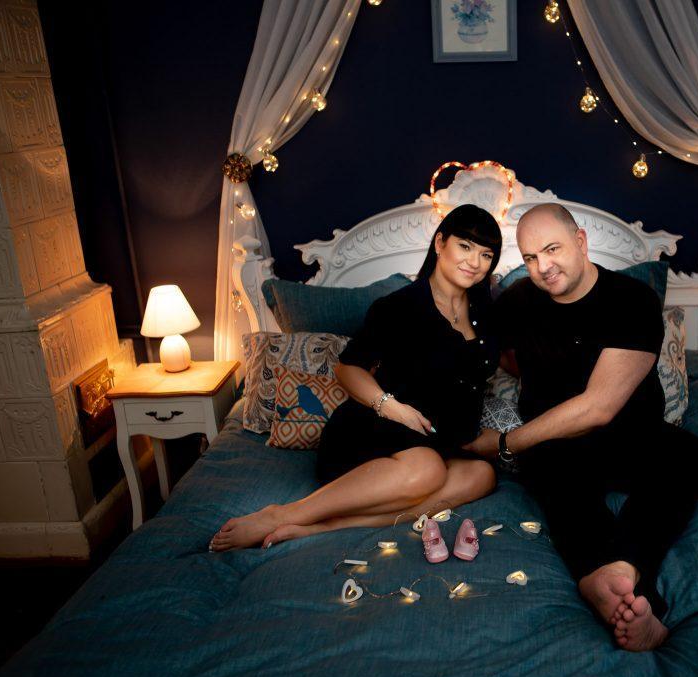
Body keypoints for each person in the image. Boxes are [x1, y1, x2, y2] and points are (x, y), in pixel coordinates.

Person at [465, 203, 698, 652]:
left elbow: (599, 408)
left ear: (580, 241)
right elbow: (486, 348)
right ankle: (618, 582)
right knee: (556, 477)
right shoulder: (518, 301)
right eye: (530, 257)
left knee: (688, 455)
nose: (543, 266)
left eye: (552, 249)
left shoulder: (633, 299)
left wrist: (504, 443)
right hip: (557, 443)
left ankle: (615, 571)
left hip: (632, 436)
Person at [210, 204, 502, 552]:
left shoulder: (487, 314)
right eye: (465, 246)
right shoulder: (399, 307)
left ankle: (329, 525)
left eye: (486, 254)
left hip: (438, 441)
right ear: (440, 243)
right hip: (376, 432)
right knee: (428, 470)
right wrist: (391, 407)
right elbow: (347, 368)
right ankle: (282, 514)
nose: (474, 261)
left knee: (482, 475)